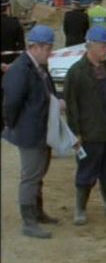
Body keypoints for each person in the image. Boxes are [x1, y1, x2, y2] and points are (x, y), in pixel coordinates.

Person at [64, 25, 106, 225]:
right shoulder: (76, 72)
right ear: (90, 46)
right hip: (91, 131)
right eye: (103, 45)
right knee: (88, 169)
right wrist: (75, 133)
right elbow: (71, 106)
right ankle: (80, 210)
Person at [2, 25, 60, 238]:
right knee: (30, 176)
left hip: (42, 130)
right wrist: (16, 126)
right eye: (47, 49)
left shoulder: (39, 67)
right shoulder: (20, 70)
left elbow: (47, 91)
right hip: (30, 132)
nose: (50, 53)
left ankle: (37, 212)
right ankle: (29, 222)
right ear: (35, 47)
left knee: (39, 174)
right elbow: (11, 104)